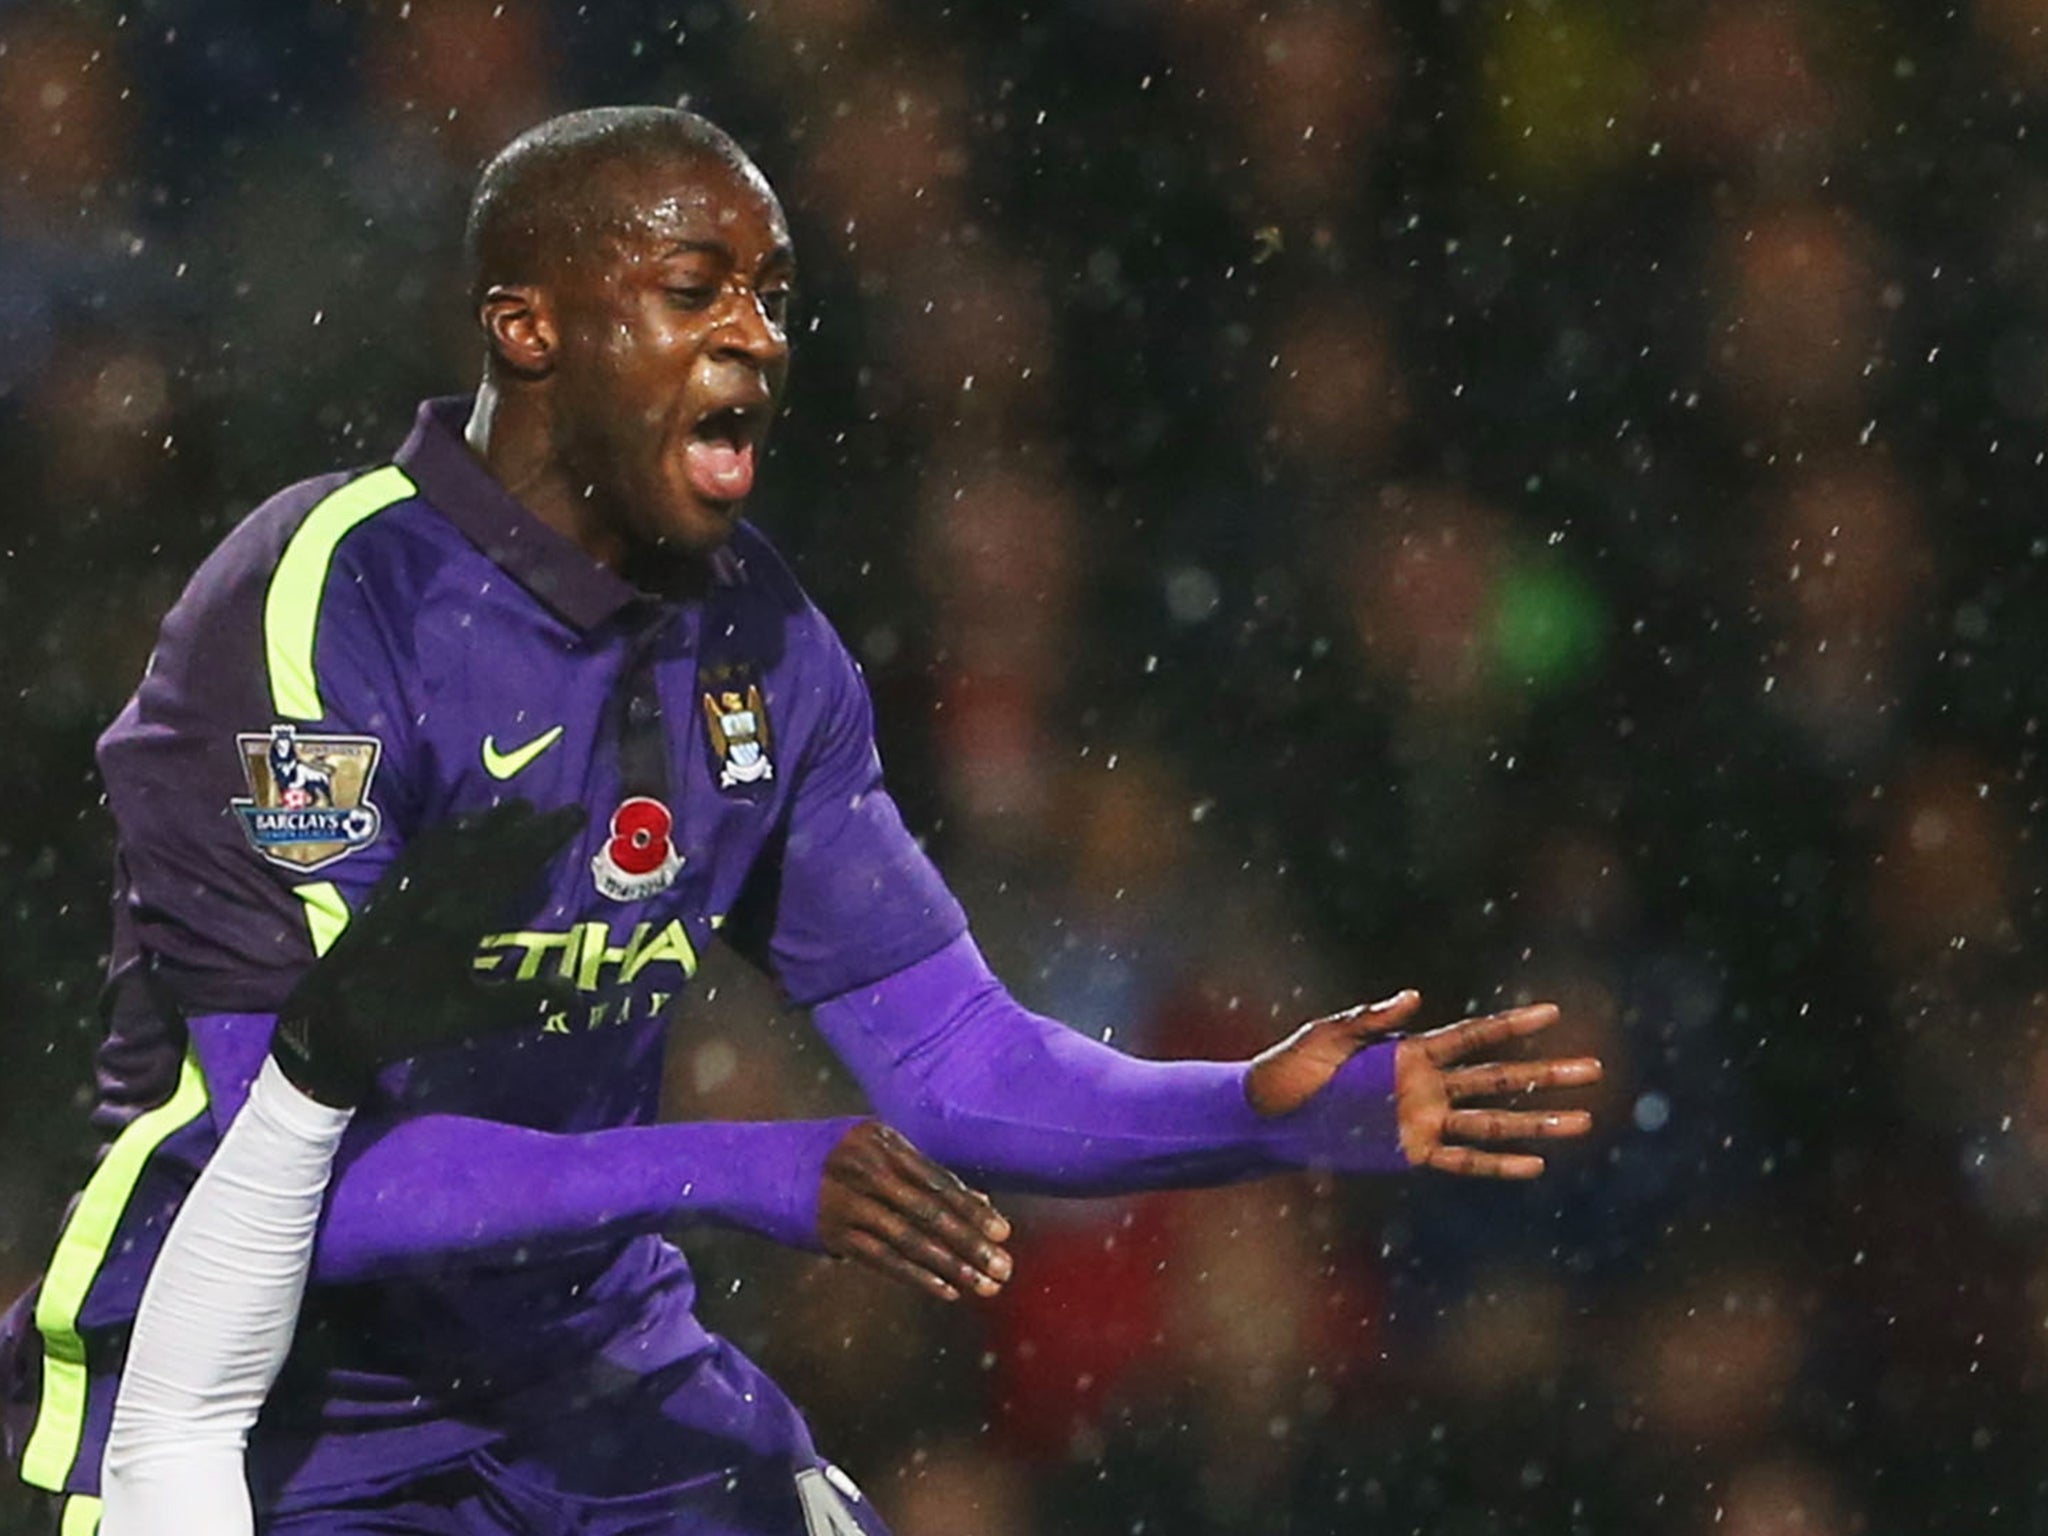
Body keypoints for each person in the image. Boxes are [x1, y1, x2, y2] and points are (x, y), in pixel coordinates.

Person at [2, 106, 1601, 1535]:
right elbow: (286, 1169)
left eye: (770, 295)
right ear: (529, 327)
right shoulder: (324, 603)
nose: (756, 338)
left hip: (586, 1357)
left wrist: (1268, 1109)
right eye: (696, 291)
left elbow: (961, 1064)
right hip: (256, 1382)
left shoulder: (767, 644)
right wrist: (740, 1167)